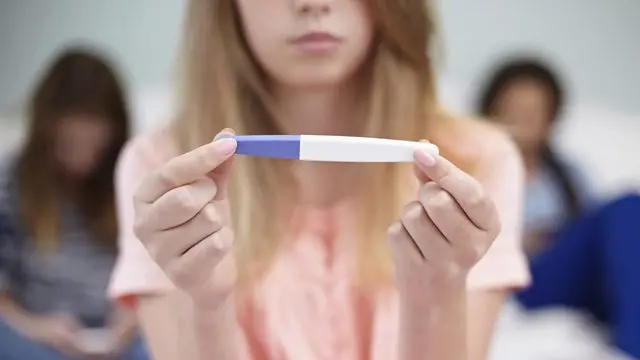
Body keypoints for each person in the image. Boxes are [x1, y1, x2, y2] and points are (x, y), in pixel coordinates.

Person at [108, 1, 531, 359]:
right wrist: (205, 304)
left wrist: (435, 296)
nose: (312, 4)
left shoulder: (475, 164)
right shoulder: (164, 173)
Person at [477, 57, 640, 359]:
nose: (522, 120)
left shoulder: (569, 174)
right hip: (524, 277)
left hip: (575, 275)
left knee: (630, 210)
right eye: (513, 109)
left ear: (550, 118)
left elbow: (598, 238)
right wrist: (518, 242)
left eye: (532, 112)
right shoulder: (472, 170)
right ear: (492, 110)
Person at [0, 47, 148, 360]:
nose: (84, 141)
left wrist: (133, 316)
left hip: (122, 335)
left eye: (95, 127)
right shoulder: (11, 182)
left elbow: (153, 272)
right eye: (71, 138)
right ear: (48, 126)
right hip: (39, 334)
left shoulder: (133, 175)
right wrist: (36, 327)